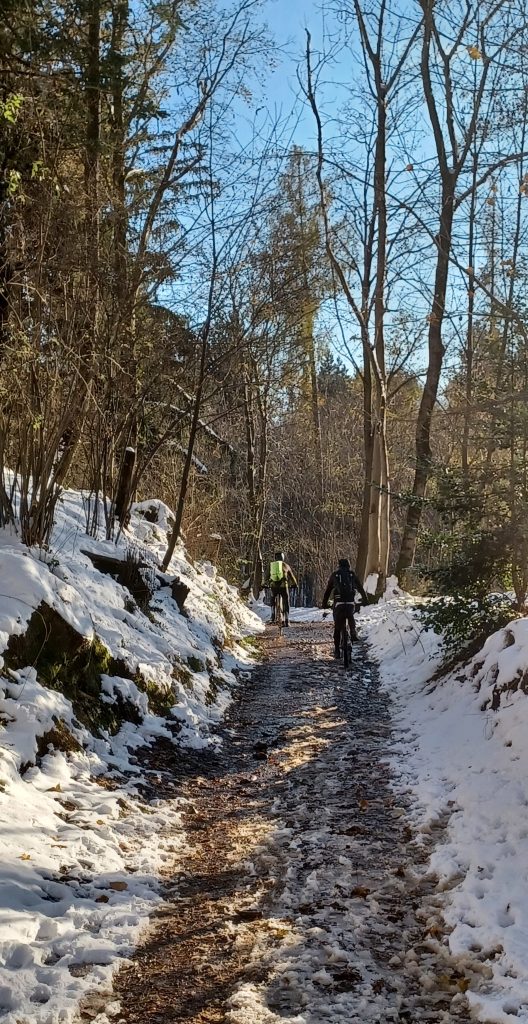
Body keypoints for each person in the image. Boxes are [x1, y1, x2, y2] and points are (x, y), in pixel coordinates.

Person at [321, 558, 368, 658]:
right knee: (350, 615)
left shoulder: (335, 575)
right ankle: (353, 631)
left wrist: (324, 604)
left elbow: (328, 591)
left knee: (337, 627)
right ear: (348, 565)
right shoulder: (352, 575)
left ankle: (337, 651)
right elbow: (360, 588)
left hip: (338, 603)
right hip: (350, 602)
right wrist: (365, 600)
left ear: (339, 565)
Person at [269, 551, 298, 626]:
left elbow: (266, 576)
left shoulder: (272, 566)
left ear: (275, 558)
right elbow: (292, 577)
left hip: (274, 587)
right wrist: (295, 584)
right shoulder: (286, 565)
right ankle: (287, 620)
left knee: (272, 598)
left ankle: (272, 614)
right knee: (286, 601)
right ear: (283, 558)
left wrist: (264, 584)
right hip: (283, 587)